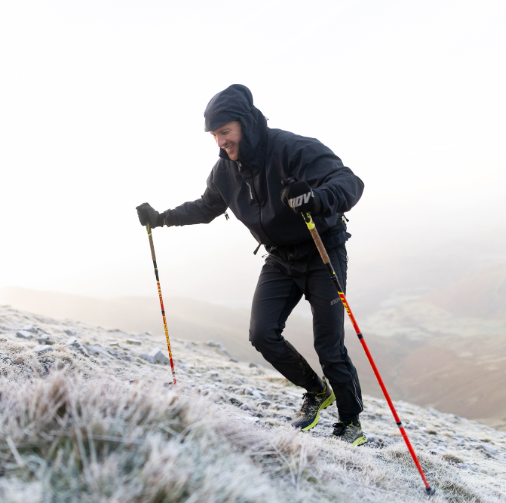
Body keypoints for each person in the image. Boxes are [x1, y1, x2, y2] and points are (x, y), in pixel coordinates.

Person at [136, 84, 367, 445]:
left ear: (245, 123)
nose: (220, 143)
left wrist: (317, 198)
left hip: (322, 251)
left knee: (329, 346)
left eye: (225, 132)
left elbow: (349, 182)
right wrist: (161, 218)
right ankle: (316, 391)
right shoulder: (225, 170)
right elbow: (206, 207)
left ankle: (351, 422)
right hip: (279, 258)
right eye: (214, 135)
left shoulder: (293, 149)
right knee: (262, 334)